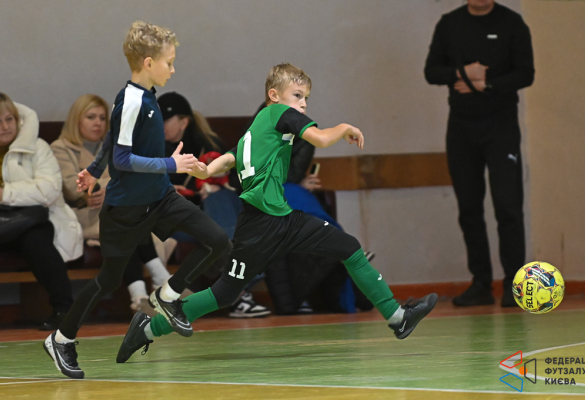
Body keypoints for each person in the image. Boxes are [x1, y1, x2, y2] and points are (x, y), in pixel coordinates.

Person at [116, 63, 438, 364]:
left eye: (306, 98)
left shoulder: (259, 126)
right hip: (260, 226)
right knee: (224, 293)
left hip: (285, 220)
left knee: (349, 248)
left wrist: (204, 169)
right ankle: (148, 328)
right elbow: (320, 138)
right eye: (297, 95)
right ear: (274, 95)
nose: (302, 104)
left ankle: (397, 317)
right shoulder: (281, 113)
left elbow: (228, 159)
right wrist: (345, 128)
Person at [43, 21, 231, 379]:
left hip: (160, 197)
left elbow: (112, 138)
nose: (173, 69)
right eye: (169, 62)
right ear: (148, 63)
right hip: (126, 209)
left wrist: (93, 170)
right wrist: (171, 164)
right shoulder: (130, 100)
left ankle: (168, 295)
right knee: (108, 281)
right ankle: (61, 339)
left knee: (218, 240)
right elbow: (123, 157)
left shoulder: (145, 96)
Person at [424, 0, 534, 307]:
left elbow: (526, 74)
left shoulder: (512, 23)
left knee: (508, 206)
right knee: (469, 208)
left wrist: (487, 85)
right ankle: (481, 283)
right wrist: (464, 73)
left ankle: (515, 284)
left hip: (501, 127)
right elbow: (431, 71)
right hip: (461, 128)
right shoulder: (450, 23)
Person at [51, 94, 171, 314]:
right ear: (76, 120)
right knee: (128, 221)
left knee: (125, 224)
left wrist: (106, 187)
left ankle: (140, 296)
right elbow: (72, 185)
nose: (97, 123)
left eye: (101, 118)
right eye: (90, 117)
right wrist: (110, 187)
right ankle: (161, 279)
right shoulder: (60, 148)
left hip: (117, 213)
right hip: (83, 214)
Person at [158, 92, 270, 318]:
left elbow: (236, 181)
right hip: (174, 219)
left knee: (221, 198)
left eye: (165, 120)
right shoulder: (150, 148)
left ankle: (237, 291)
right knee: (216, 221)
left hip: (207, 214)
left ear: (184, 122)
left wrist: (210, 187)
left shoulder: (209, 146)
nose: (160, 126)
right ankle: (240, 293)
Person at [0, 93, 82, 330]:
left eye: (9, 119)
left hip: (29, 221)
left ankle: (64, 310)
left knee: (36, 238)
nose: (5, 127)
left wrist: (4, 193)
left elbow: (49, 190)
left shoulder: (37, 147)